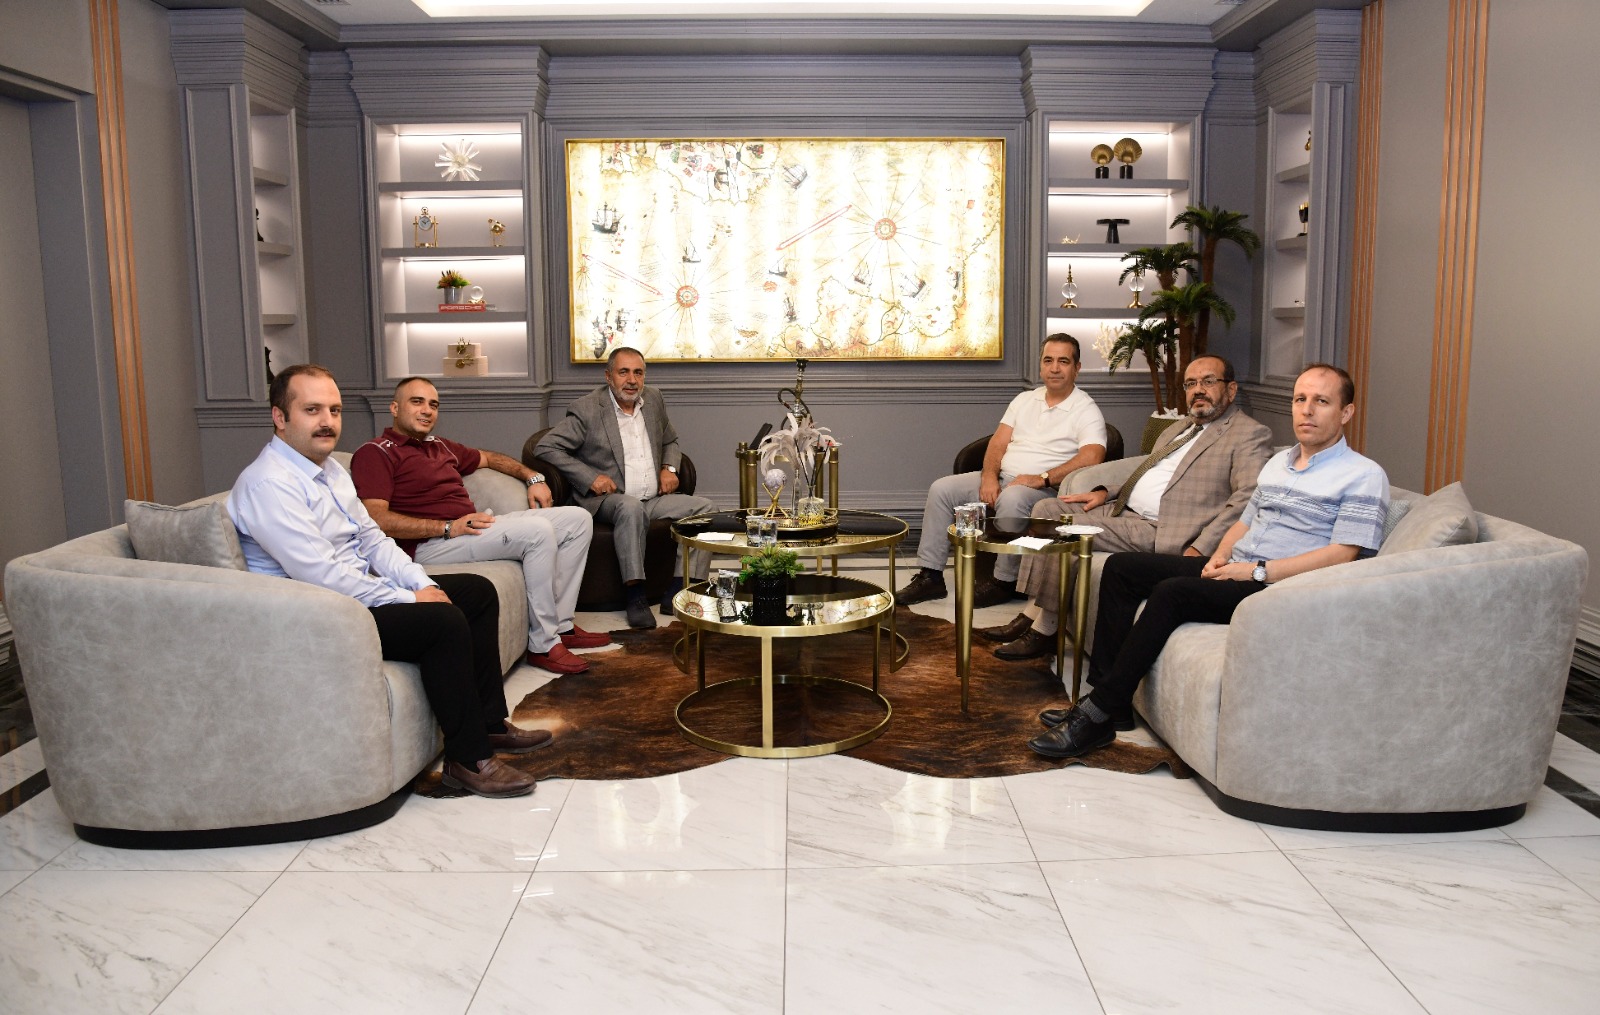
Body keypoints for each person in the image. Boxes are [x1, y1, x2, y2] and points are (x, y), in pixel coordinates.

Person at [1028, 363, 1389, 758]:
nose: (1307, 410)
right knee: (1123, 568)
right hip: (1239, 569)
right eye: (1300, 399)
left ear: (1346, 412)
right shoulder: (1279, 463)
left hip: (1280, 587)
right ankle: (1108, 703)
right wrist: (1217, 558)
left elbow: (1344, 554)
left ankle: (1095, 716)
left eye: (1321, 401)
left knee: (1173, 593)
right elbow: (1244, 520)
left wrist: (1257, 570)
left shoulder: (1363, 475)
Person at [228, 364, 545, 799]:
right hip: (317, 614)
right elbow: (320, 575)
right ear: (279, 417)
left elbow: (373, 539)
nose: (327, 421)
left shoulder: (329, 471)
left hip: (353, 595)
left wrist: (419, 583)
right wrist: (410, 599)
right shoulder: (269, 484)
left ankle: (489, 725)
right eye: (312, 410)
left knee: (476, 592)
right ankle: (468, 760)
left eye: (334, 410)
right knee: (443, 622)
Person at [987, 355, 1273, 660]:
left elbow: (1246, 499)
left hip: (1161, 528)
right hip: (1122, 509)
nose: (1198, 389)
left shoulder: (1248, 434)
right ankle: (1031, 612)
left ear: (1231, 389)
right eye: (1191, 383)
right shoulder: (1181, 427)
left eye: (1208, 381)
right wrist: (1104, 492)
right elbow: (1148, 470)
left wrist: (1201, 547)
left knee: (1064, 530)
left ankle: (1044, 629)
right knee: (1046, 509)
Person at [351, 377, 607, 677]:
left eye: (433, 405)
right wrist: (447, 527)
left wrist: (533, 477)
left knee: (577, 520)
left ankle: (562, 626)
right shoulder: (376, 452)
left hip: (470, 528)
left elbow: (489, 458)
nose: (427, 410)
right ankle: (543, 644)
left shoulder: (438, 446)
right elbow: (376, 519)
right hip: (428, 544)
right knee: (538, 532)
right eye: (416, 402)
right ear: (395, 408)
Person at [897, 333, 1108, 609]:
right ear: (1041, 366)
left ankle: (1004, 582)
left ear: (1076, 368)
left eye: (1063, 361)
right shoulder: (1024, 400)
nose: (1055, 368)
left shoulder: (1086, 409)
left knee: (1013, 497)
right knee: (942, 489)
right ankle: (931, 576)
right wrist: (988, 477)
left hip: (1046, 491)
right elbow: (997, 443)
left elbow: (1093, 456)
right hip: (1004, 478)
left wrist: (1042, 478)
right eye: (1048, 361)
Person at [534, 347, 715, 629]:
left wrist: (669, 468)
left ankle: (680, 590)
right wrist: (590, 477)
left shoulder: (653, 399)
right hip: (608, 499)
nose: (632, 380)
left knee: (706, 509)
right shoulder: (587, 409)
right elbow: (545, 447)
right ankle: (635, 595)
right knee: (630, 508)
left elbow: (670, 440)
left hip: (652, 498)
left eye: (638, 373)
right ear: (608, 376)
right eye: (624, 372)